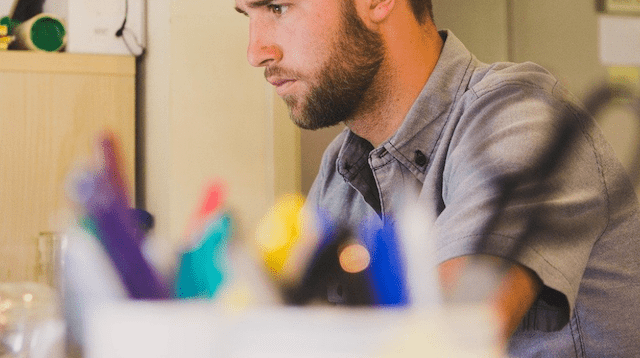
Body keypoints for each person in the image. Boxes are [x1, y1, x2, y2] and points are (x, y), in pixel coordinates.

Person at [234, 0, 640, 355]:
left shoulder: (523, 116)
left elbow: (451, 337)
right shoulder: (340, 169)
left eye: (277, 7)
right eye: (246, 14)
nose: (255, 52)